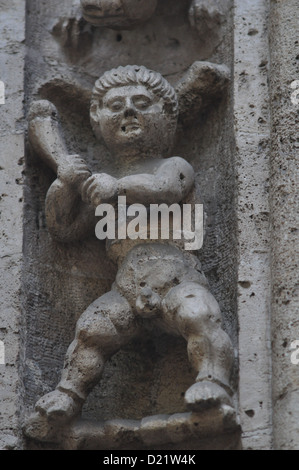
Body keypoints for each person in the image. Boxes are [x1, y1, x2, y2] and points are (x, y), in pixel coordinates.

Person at [32, 65, 234, 424]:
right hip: (125, 289)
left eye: (141, 102)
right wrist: (65, 183)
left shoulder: (174, 165)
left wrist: (117, 188)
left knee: (198, 314)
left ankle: (213, 380)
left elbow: (166, 191)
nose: (128, 111)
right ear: (96, 121)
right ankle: (68, 394)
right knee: (92, 330)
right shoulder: (102, 186)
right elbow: (66, 229)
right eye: (115, 105)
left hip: (177, 277)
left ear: (168, 117)